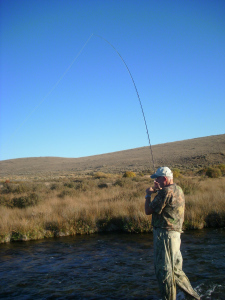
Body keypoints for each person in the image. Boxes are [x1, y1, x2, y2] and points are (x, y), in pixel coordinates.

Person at [145, 166, 200, 300]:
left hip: (165, 236)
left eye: (157, 178)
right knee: (176, 271)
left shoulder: (165, 192)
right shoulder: (178, 189)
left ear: (164, 178)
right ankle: (193, 297)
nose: (155, 181)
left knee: (164, 272)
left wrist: (148, 194)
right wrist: (160, 190)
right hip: (175, 236)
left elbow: (148, 210)